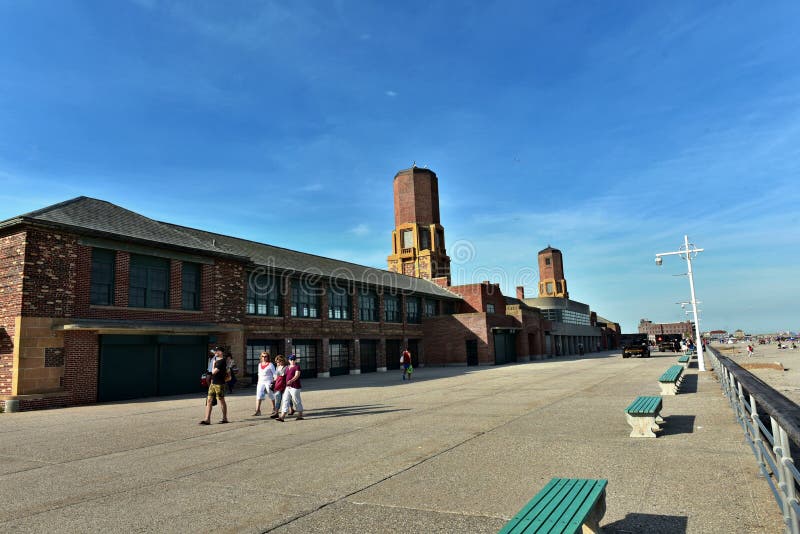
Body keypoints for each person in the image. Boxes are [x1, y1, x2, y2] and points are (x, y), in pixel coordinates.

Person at [200, 347, 228, 425]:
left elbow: (213, 372)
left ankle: (225, 418)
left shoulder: (222, 361)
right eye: (215, 351)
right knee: (209, 400)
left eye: (217, 351)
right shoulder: (215, 359)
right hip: (213, 383)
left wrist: (213, 364)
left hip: (219, 384)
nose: (215, 352)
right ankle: (207, 419)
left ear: (221, 352)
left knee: (221, 400)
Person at [277, 354, 303, 421]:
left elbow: (297, 375)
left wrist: (291, 380)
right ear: (289, 360)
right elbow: (282, 375)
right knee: (285, 400)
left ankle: (300, 415)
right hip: (288, 387)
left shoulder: (297, 367)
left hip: (295, 387)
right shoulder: (287, 367)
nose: (292, 361)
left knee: (296, 400)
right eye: (291, 359)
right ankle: (282, 417)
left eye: (294, 359)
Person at [253, 352, 276, 416]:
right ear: (261, 357)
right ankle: (258, 410)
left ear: (268, 357)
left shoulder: (270, 364)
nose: (264, 358)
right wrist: (258, 382)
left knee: (270, 394)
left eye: (265, 356)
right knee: (259, 395)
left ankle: (274, 408)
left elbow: (274, 374)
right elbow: (259, 374)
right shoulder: (259, 364)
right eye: (262, 356)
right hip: (260, 382)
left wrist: (274, 382)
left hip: (269, 381)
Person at [271, 355, 288, 419]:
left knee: (286, 398)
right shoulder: (277, 367)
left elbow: (286, 376)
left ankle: (292, 408)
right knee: (278, 398)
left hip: (285, 384)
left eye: (278, 362)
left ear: (282, 361)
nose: (277, 363)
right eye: (276, 362)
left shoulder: (286, 367)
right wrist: (273, 381)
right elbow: (276, 376)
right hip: (278, 384)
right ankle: (276, 412)